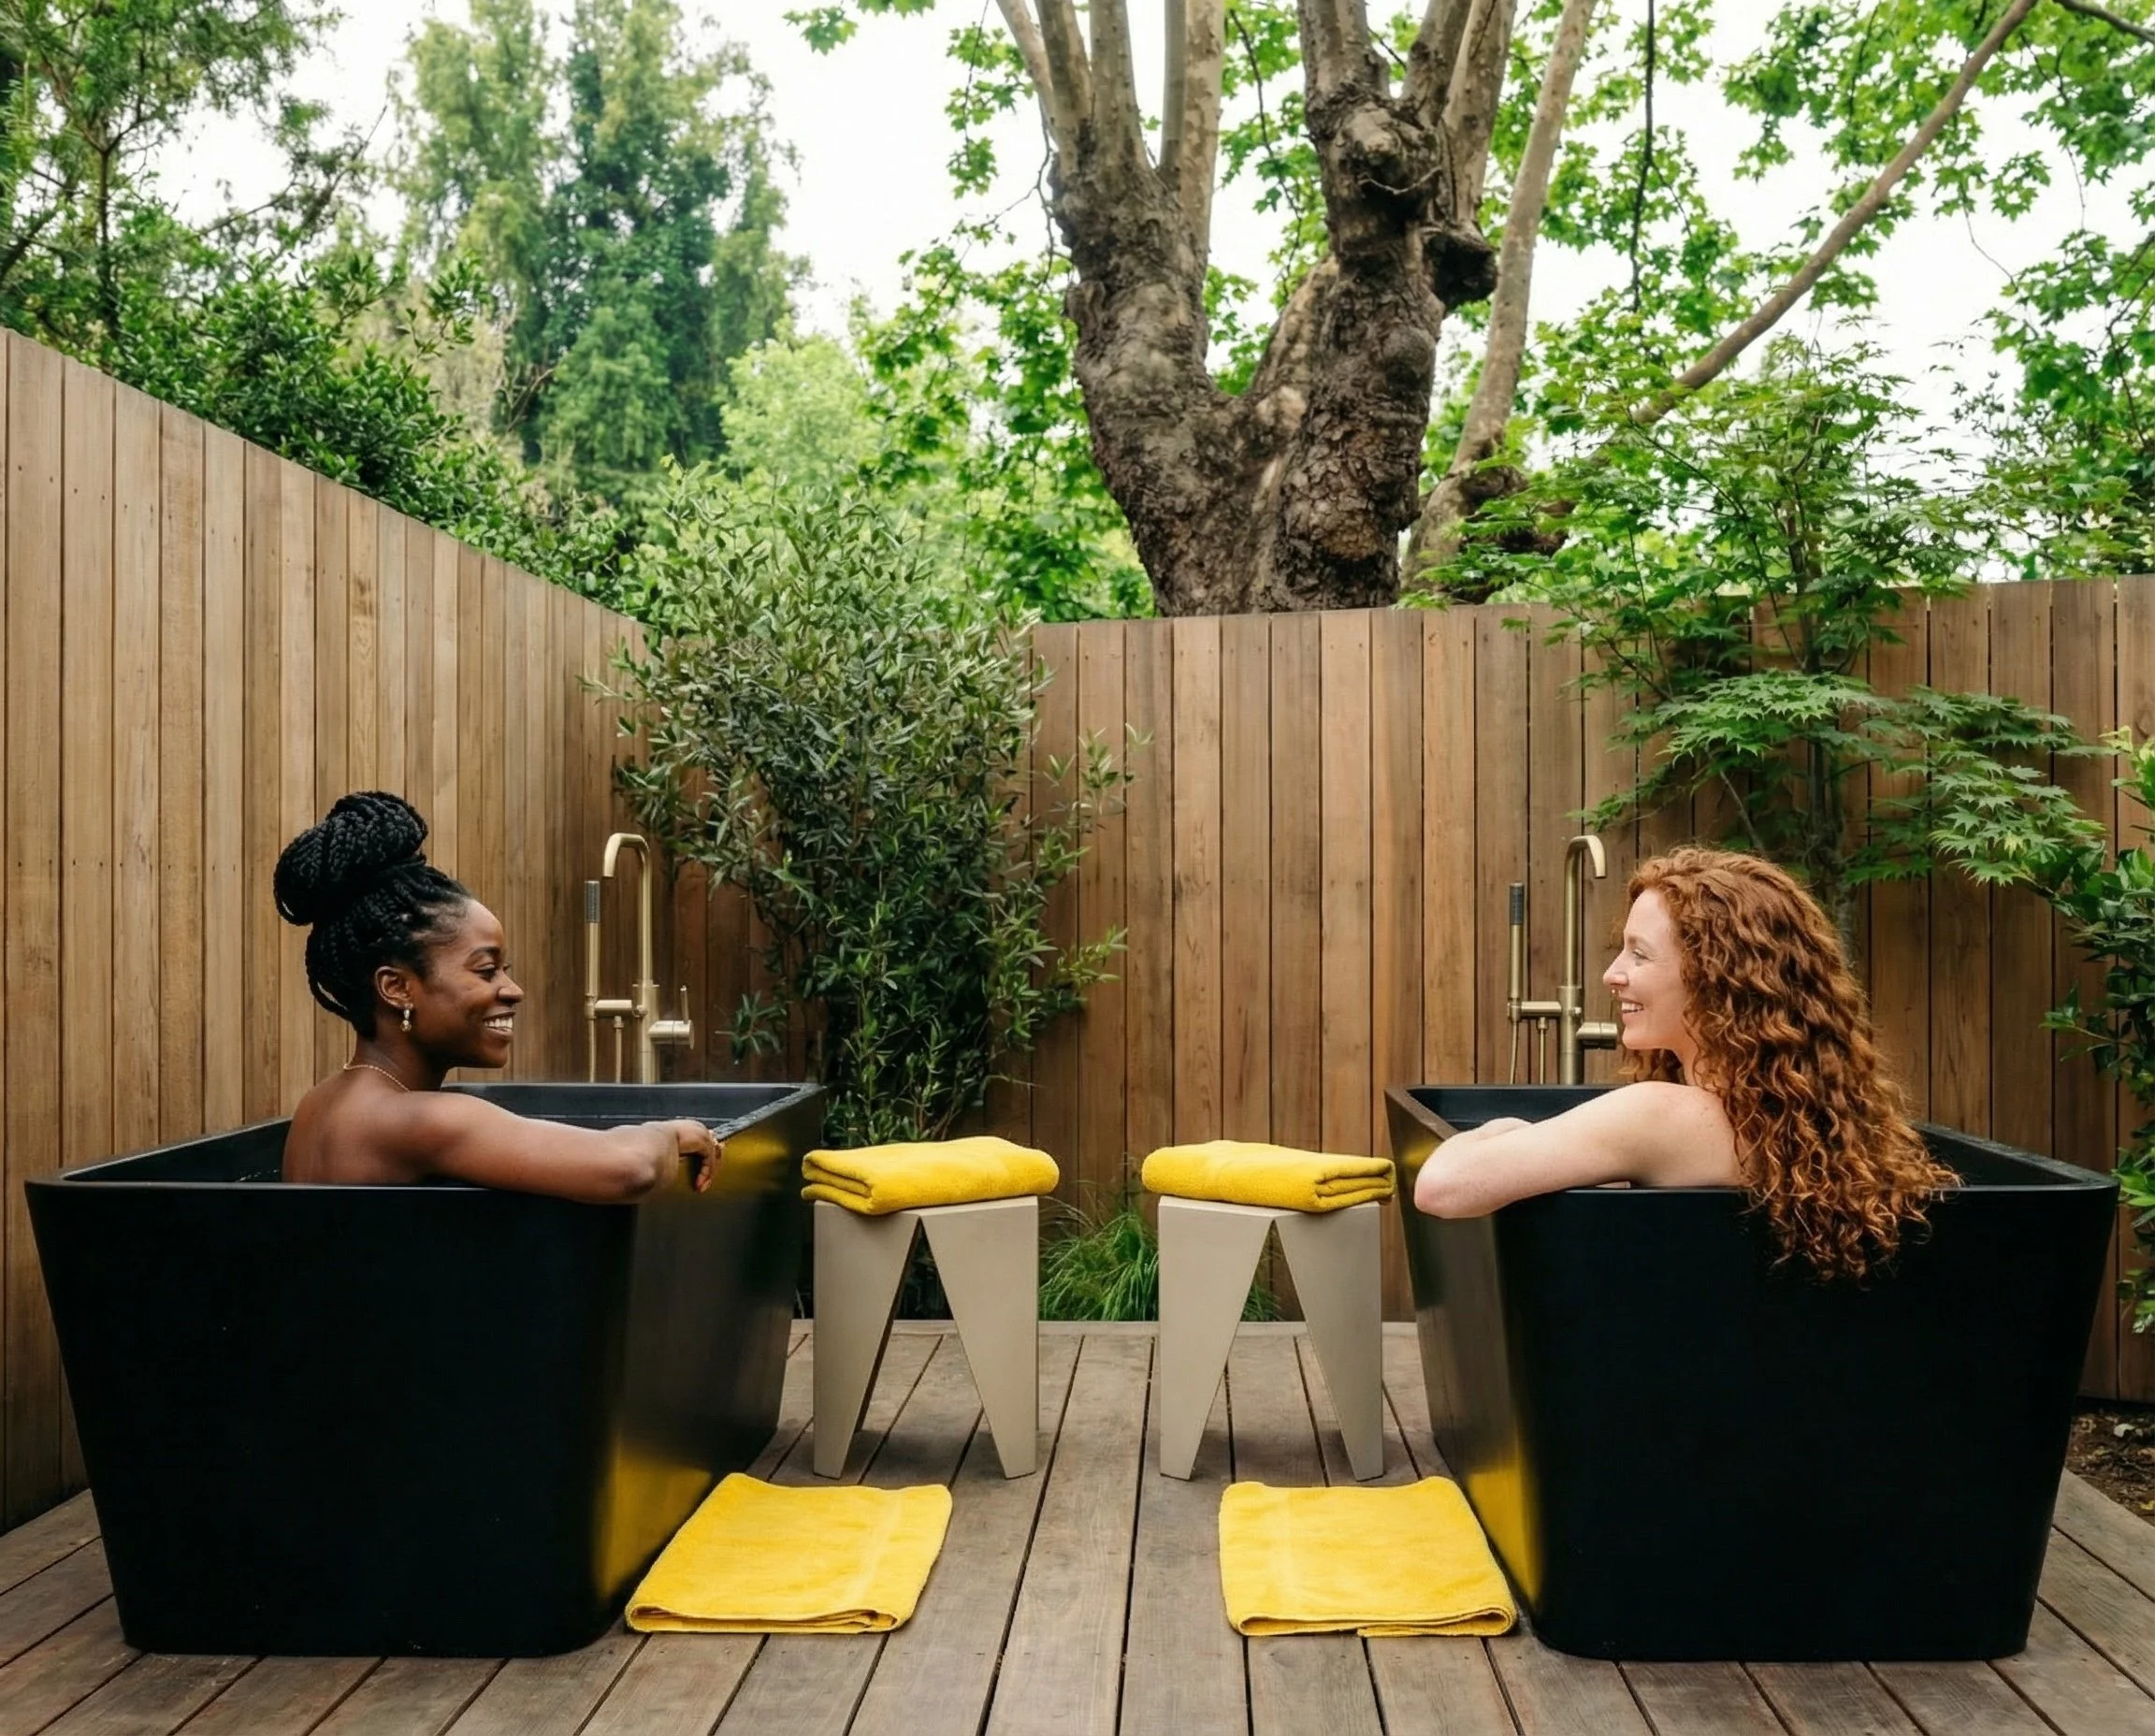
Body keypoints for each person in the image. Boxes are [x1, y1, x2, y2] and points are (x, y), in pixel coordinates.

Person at [1412, 847, 1954, 1280]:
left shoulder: (1662, 1114)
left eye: (1640, 954)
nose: (1612, 974)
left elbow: (1442, 1186)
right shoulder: (1807, 1129)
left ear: (1716, 980)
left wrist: (1505, 1128)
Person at [275, 790, 718, 1202]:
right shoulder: (420, 1119)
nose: (513, 990)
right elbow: (631, 1168)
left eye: (506, 971)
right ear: (397, 988)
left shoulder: (319, 1106)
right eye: (486, 971)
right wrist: (668, 1133)